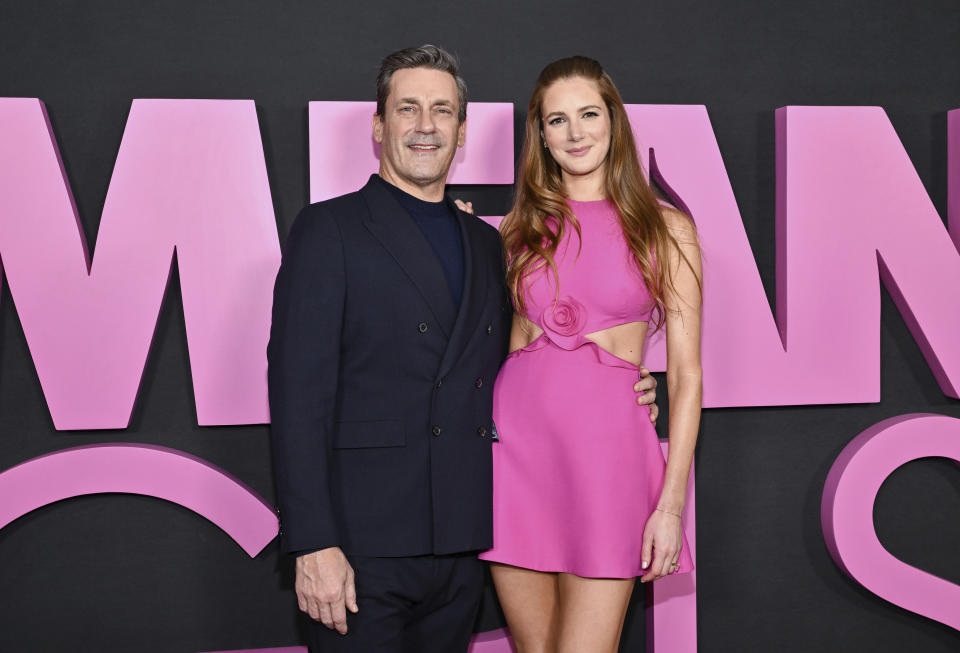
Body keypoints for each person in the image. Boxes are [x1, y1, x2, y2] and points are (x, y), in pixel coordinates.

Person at [267, 45, 661, 653]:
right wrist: (313, 542)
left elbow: (531, 354)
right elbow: (297, 396)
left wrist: (626, 388)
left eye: (442, 111)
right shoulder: (330, 229)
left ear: (461, 131)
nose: (426, 126)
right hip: (359, 550)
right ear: (379, 125)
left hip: (463, 546)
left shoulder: (489, 243)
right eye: (408, 109)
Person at [476, 56, 703, 653]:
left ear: (614, 121)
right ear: (541, 135)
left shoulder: (666, 229)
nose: (575, 133)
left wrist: (672, 503)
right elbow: (513, 345)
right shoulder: (516, 229)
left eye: (588, 115)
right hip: (514, 461)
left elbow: (685, 372)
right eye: (557, 120)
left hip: (610, 464)